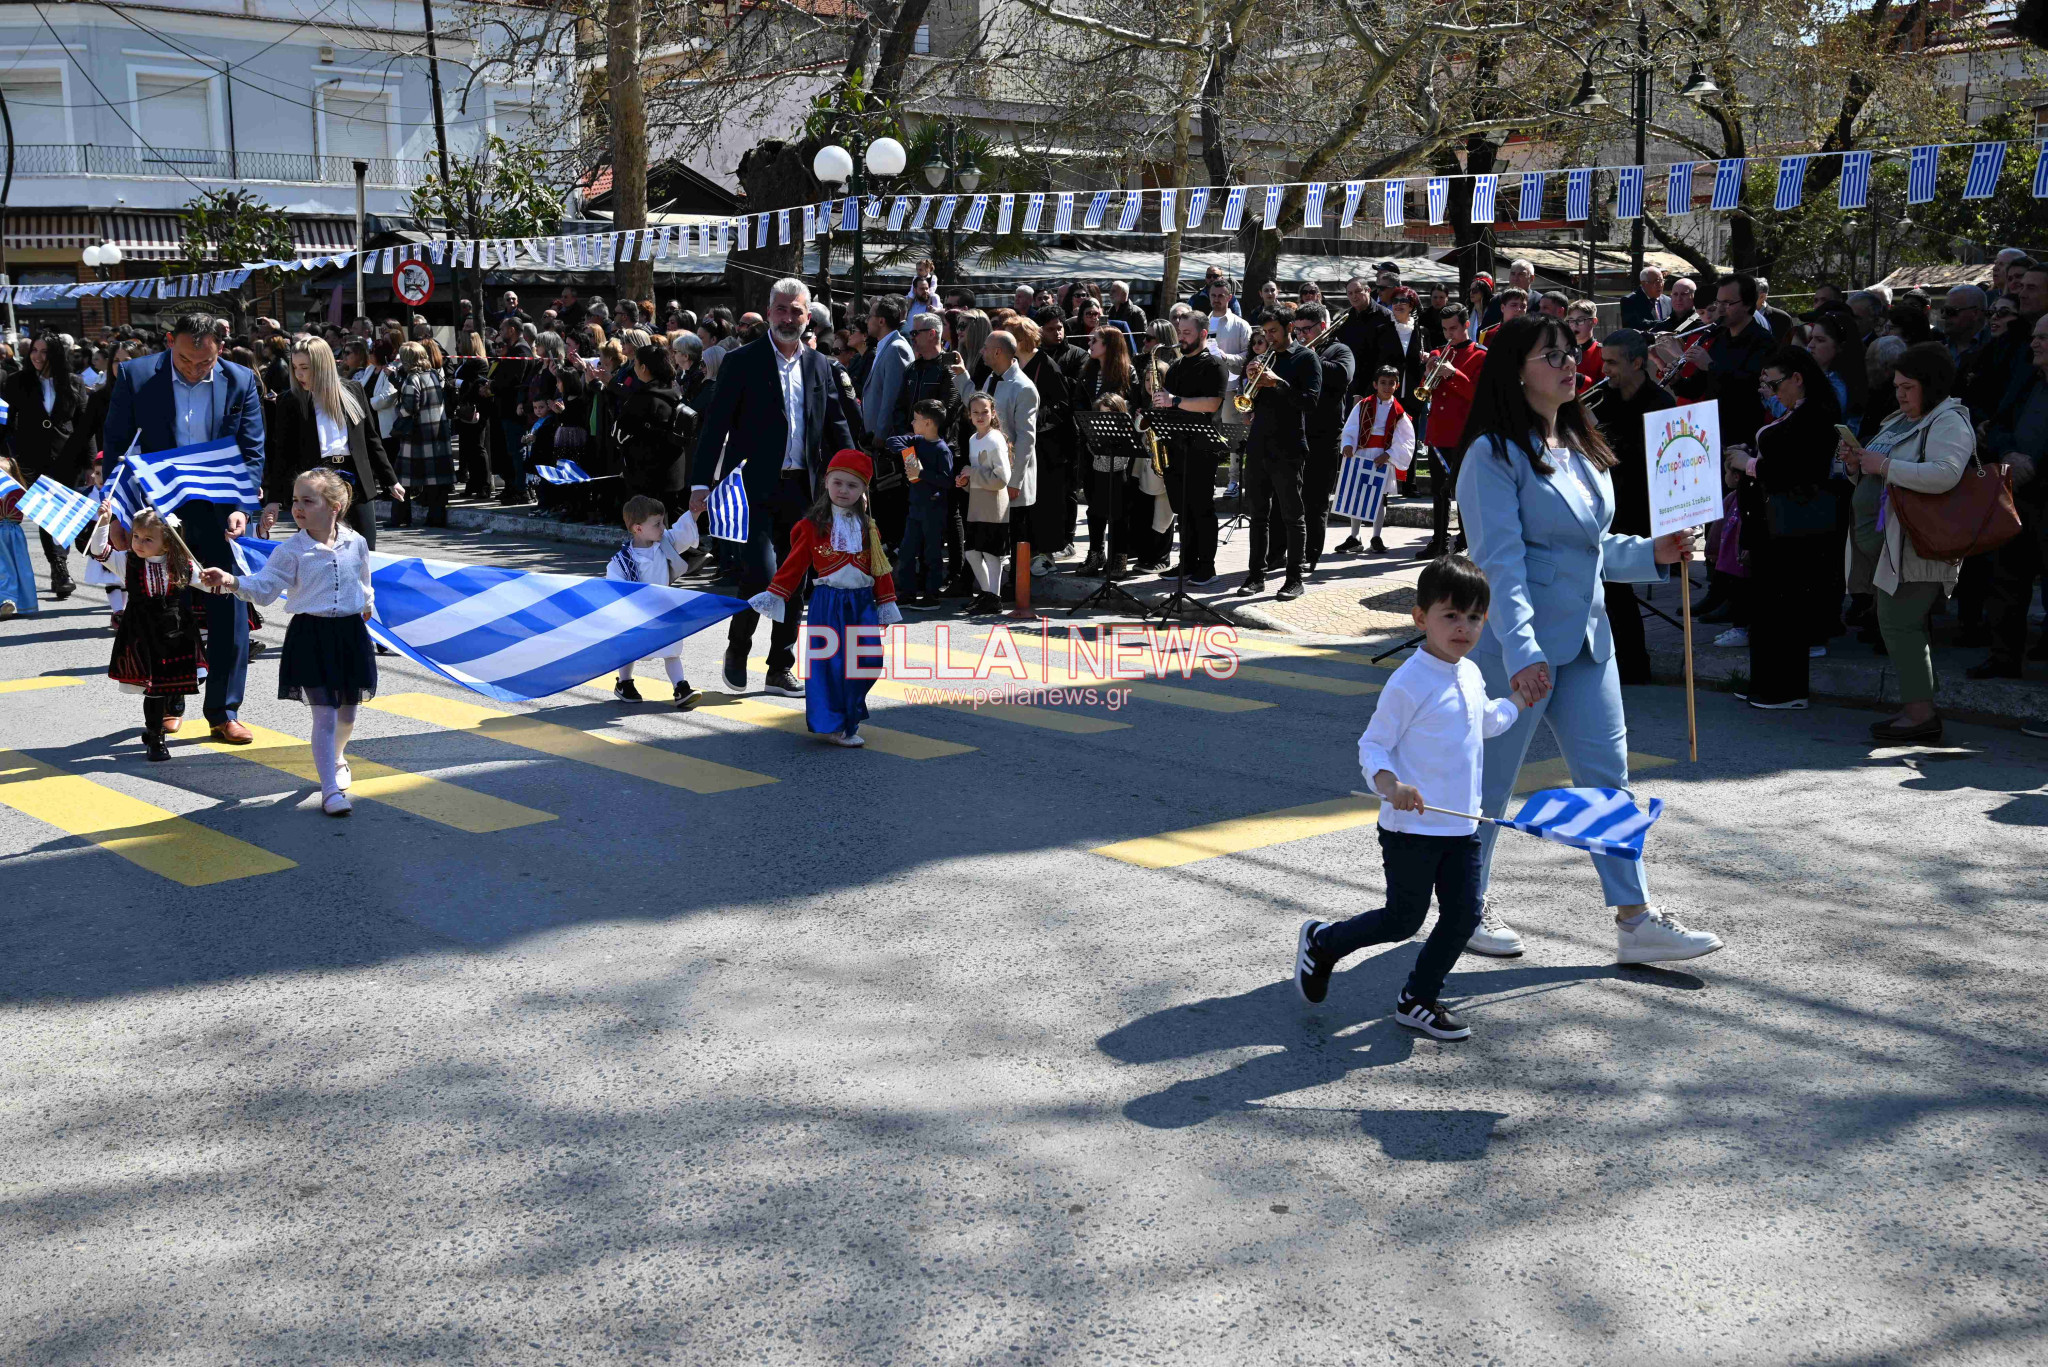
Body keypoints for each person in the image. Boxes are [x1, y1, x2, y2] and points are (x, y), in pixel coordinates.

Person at [1455, 314, 1720, 966]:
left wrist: (1654, 552)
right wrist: (1523, 654)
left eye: (1573, 354)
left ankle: (1635, 919)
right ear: (1518, 370)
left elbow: (1592, 548)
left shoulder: (1580, 445)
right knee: (1488, 785)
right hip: (1519, 650)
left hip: (1588, 642)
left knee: (1608, 782)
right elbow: (1501, 565)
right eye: (1553, 356)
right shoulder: (1491, 455)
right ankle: (1465, 906)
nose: (1571, 364)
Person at [1291, 554, 1528, 1039]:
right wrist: (1390, 786)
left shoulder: (1469, 673)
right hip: (1412, 831)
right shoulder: (1409, 681)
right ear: (1421, 618)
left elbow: (1483, 723)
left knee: (1463, 916)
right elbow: (1373, 745)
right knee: (1403, 920)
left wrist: (1520, 702)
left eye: (1474, 618)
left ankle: (1417, 998)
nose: (1463, 627)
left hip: (1462, 826)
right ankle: (1323, 942)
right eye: (1451, 616)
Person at [101, 312, 266, 746]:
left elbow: (251, 450)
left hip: (216, 508)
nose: (195, 370)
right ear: (171, 341)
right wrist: (122, 518)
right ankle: (170, 700)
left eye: (204, 363)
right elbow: (119, 448)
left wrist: (241, 507)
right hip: (157, 510)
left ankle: (224, 711)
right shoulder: (137, 376)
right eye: (186, 361)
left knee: (227, 605)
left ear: (221, 349)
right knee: (164, 609)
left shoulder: (241, 380)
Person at [688, 277, 854, 697]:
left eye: (796, 311)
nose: (788, 318)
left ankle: (780, 666)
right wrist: (699, 484)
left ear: (807, 315)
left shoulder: (820, 365)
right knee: (761, 575)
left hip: (804, 491)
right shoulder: (742, 361)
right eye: (781, 309)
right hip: (752, 489)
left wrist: (856, 477)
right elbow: (715, 427)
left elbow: (835, 424)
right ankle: (737, 648)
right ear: (768, 312)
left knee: (795, 579)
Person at [198, 469, 375, 816]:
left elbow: (364, 580)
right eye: (295, 500)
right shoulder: (291, 550)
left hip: (351, 634)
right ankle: (329, 791)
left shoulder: (357, 542)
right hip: (312, 635)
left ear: (335, 507)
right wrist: (232, 580)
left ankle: (338, 758)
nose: (298, 508)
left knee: (348, 715)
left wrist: (367, 605)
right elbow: (264, 588)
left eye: (308, 501)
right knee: (324, 716)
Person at [1839, 342, 1974, 743]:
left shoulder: (1949, 420)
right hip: (1890, 546)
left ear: (1930, 386)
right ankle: (1916, 709)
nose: (1900, 393)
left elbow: (1946, 474)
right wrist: (1856, 464)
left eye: (1908, 386)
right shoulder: (1900, 417)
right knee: (1898, 625)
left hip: (1917, 544)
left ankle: (1920, 715)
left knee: (1900, 625)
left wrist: (1882, 465)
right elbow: (1877, 475)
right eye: (1897, 385)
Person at [748, 449, 902, 744]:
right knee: (829, 665)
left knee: (867, 662)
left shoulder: (869, 527)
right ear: (826, 483)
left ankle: (848, 714)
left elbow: (880, 569)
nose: (844, 490)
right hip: (828, 603)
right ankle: (834, 724)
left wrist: (886, 601)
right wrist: (775, 594)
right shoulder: (810, 525)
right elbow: (794, 565)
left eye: (852, 485)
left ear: (863, 491)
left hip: (860, 604)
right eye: (838, 483)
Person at [1731, 347, 1844, 709]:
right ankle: (1766, 683)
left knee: (1784, 609)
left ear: (1798, 378)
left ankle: (1786, 689)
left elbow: (1794, 471)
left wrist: (1747, 463)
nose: (1772, 391)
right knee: (1767, 607)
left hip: (1794, 527)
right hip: (1773, 523)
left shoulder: (1818, 414)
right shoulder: (1799, 412)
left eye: (1776, 383)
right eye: (1766, 385)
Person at [1589, 330, 1674, 685]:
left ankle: (1633, 664)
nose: (1604, 369)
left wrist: (1590, 428)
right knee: (1608, 587)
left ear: (1637, 363)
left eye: (1611, 362)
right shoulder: (1602, 396)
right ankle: (1626, 661)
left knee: (1613, 584)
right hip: (1607, 501)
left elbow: (1638, 456)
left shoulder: (1659, 402)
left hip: (1642, 505)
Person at [264, 338, 401, 550]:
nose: (299, 374)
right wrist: (273, 500)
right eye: (295, 367)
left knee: (364, 550)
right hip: (314, 482)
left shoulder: (354, 390)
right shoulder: (289, 401)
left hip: (355, 481)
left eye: (305, 368)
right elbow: (282, 453)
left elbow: (371, 439)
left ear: (322, 365)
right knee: (316, 554)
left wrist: (391, 480)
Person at [90, 504, 202, 762]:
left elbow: (208, 583)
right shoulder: (126, 560)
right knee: (153, 689)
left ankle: (175, 699)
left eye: (148, 539)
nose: (139, 543)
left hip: (176, 630)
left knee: (188, 677)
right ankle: (155, 738)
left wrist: (231, 585)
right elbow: (99, 550)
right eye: (136, 537)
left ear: (167, 544)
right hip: (142, 630)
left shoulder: (181, 563)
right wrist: (104, 521)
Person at [1972, 314, 2048, 688]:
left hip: (2045, 496)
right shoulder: (2027, 379)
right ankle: (2003, 658)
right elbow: (1997, 426)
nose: (2035, 343)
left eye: (2044, 338)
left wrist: (2035, 465)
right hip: (2015, 495)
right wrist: (2010, 456)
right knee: (2006, 579)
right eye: (2035, 336)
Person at [1237, 306, 1321, 599]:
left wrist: (1278, 384)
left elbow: (1310, 402)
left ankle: (1295, 578)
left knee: (1291, 516)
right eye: (1265, 333)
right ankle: (1255, 576)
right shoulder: (1262, 358)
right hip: (1259, 443)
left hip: (1288, 446)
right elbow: (1250, 403)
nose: (1269, 338)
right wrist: (1250, 383)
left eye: (1273, 331)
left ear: (1289, 329)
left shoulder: (1306, 358)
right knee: (1257, 514)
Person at [2, 333, 91, 599]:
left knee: (66, 512)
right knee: (47, 515)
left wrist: (90, 463)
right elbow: (5, 422)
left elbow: (85, 427)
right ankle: (59, 568)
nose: (38, 356)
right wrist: (6, 457)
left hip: (69, 457)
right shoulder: (17, 382)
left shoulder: (74, 383)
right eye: (35, 351)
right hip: (31, 459)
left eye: (44, 351)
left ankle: (64, 558)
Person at [952, 328, 1038, 594]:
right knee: (990, 539)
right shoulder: (992, 378)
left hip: (1011, 481)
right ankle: (992, 591)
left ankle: (1014, 590)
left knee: (1013, 539)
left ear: (998, 352)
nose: (982, 351)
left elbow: (1026, 440)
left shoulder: (1024, 388)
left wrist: (1014, 481)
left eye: (986, 347)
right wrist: (962, 377)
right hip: (990, 480)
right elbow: (977, 407)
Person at [607, 493, 703, 708]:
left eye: (662, 522)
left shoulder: (665, 543)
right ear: (638, 529)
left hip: (663, 609)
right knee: (629, 648)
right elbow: (612, 588)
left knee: (672, 648)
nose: (663, 528)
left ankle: (681, 687)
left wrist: (694, 513)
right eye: (657, 524)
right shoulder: (621, 562)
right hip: (635, 614)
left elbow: (681, 531)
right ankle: (624, 683)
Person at [1154, 312, 1227, 586]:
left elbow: (1211, 404)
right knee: (1182, 510)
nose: (1181, 337)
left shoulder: (1215, 365)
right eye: (1179, 331)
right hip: (1176, 446)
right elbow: (1168, 402)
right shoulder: (1176, 367)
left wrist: (1175, 401)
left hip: (1202, 448)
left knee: (1202, 508)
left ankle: (1206, 567)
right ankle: (1187, 562)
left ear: (1203, 334)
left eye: (1186, 332)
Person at [1415, 304, 1485, 559]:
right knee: (1438, 491)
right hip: (1438, 432)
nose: (1448, 334)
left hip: (1463, 432)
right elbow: (1425, 391)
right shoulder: (1438, 352)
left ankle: (1466, 538)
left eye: (1453, 328)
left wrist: (1454, 374)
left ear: (1467, 325)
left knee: (1465, 490)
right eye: (1444, 329)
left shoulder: (1479, 355)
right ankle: (1439, 541)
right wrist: (1428, 372)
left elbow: (1478, 396)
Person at [1295, 303, 1355, 574]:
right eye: (1297, 330)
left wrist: (1310, 357)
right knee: (1292, 500)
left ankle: (1312, 555)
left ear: (1321, 326)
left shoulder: (1339, 350)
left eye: (1306, 330)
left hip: (1326, 436)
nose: (1300, 335)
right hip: (1297, 433)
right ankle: (1287, 552)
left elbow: (1343, 375)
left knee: (1316, 501)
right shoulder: (1296, 352)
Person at [1337, 365, 1415, 554]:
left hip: (1382, 456)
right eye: (1383, 383)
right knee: (1357, 496)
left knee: (1379, 498)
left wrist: (1389, 454)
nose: (1386, 387)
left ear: (1397, 386)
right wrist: (1347, 444)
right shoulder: (1362, 405)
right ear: (1375, 384)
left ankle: (1376, 536)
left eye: (1391, 383)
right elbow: (1351, 427)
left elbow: (1406, 439)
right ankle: (1355, 537)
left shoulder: (1399, 412)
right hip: (1362, 453)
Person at [885, 399, 955, 607]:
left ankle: (932, 595)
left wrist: (920, 473)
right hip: (915, 506)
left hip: (934, 509)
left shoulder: (942, 449)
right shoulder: (916, 441)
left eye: (916, 420)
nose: (912, 423)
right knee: (907, 551)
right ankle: (907, 593)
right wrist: (909, 457)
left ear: (928, 423)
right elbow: (893, 441)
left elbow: (947, 480)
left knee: (931, 554)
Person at [616, 344, 692, 521]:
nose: (634, 367)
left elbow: (621, 432)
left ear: (643, 368)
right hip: (673, 471)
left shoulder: (643, 398)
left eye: (636, 363)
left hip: (647, 474)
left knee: (652, 527)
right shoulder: (674, 392)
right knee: (670, 521)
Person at [956, 391, 1013, 614]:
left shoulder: (995, 438)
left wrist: (974, 472)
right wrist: (965, 481)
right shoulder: (973, 439)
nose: (980, 416)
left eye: (985, 412)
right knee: (971, 552)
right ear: (969, 415)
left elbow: (1001, 479)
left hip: (994, 502)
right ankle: (989, 595)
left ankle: (993, 596)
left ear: (993, 413)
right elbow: (977, 475)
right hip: (977, 501)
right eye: (975, 412)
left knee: (990, 553)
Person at [388, 342, 453, 528]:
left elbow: (409, 408)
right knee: (435, 478)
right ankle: (436, 518)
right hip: (437, 432)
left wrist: (398, 411)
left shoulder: (412, 379)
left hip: (416, 435)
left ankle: (400, 518)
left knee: (403, 478)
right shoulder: (434, 374)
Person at [0, 454, 36, 618]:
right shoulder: (19, 492)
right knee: (10, 567)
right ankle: (13, 601)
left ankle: (12, 600)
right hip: (10, 534)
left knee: (14, 567)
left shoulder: (18, 492)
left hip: (10, 534)